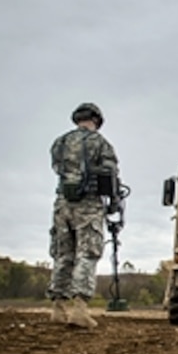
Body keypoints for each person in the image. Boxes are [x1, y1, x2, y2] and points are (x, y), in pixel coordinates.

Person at [47, 102, 121, 328]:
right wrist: (114, 202)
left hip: (62, 204)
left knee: (63, 254)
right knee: (87, 254)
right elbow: (110, 175)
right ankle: (79, 310)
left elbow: (58, 169)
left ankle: (57, 309)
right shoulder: (100, 143)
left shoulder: (60, 143)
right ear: (97, 120)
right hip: (88, 205)